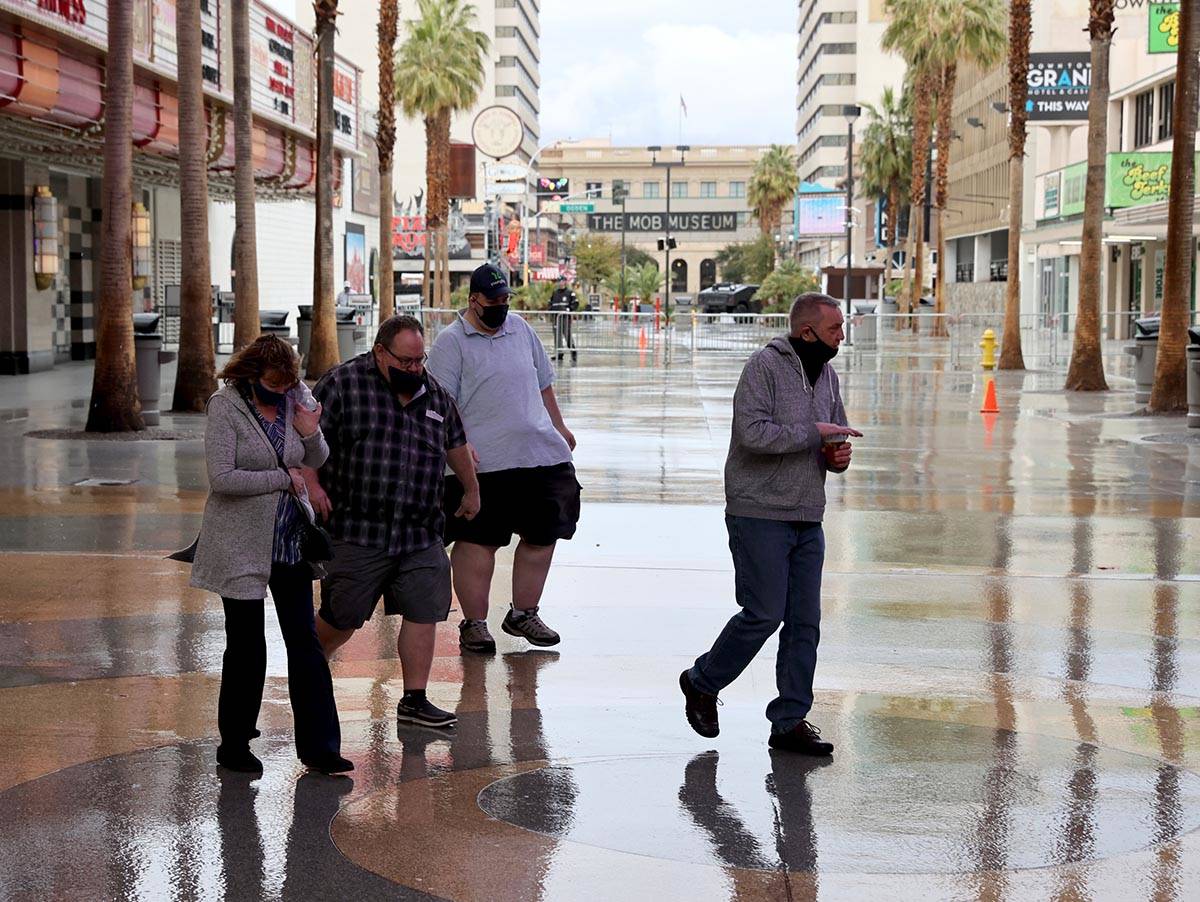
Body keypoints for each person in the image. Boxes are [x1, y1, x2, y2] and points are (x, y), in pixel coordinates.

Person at [679, 293, 862, 756]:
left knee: (805, 623)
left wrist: (836, 455)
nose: (841, 336)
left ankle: (789, 721)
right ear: (807, 332)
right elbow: (752, 433)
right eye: (835, 329)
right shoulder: (764, 367)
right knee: (763, 613)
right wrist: (813, 436)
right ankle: (702, 680)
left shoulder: (829, 376)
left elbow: (832, 435)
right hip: (758, 510)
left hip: (807, 514)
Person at [306, 315, 480, 728]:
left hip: (419, 529)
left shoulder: (434, 394)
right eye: (406, 362)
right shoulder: (341, 385)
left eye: (420, 361)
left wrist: (472, 490)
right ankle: (308, 673)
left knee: (425, 609)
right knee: (341, 616)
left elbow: (455, 443)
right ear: (380, 353)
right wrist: (311, 485)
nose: (414, 370)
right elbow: (307, 442)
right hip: (357, 529)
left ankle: (414, 699)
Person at [189, 334, 351, 775]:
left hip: (290, 542)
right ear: (251, 374)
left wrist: (310, 429)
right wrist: (282, 479)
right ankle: (235, 744)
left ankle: (321, 748)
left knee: (305, 643)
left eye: (287, 385)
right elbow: (222, 478)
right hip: (239, 543)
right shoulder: (225, 408)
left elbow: (318, 455)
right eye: (274, 385)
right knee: (246, 646)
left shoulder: (297, 398)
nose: (281, 393)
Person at [428, 263, 581, 655]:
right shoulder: (452, 341)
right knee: (477, 542)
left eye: (505, 300)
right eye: (492, 301)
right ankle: (474, 623)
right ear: (473, 300)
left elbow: (543, 382)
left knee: (545, 533)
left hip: (538, 453)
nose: (500, 307)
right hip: (483, 463)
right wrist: (459, 445)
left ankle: (524, 613)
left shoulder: (521, 330)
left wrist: (559, 428)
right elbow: (440, 402)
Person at [548, 277, 578, 361]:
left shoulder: (569, 293)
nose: (560, 283)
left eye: (561, 281)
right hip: (556, 317)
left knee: (567, 334)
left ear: (565, 282)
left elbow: (575, 303)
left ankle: (573, 352)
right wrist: (551, 310)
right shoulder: (555, 293)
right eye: (559, 281)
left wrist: (569, 309)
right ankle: (559, 353)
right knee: (557, 335)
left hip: (565, 317)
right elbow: (550, 303)